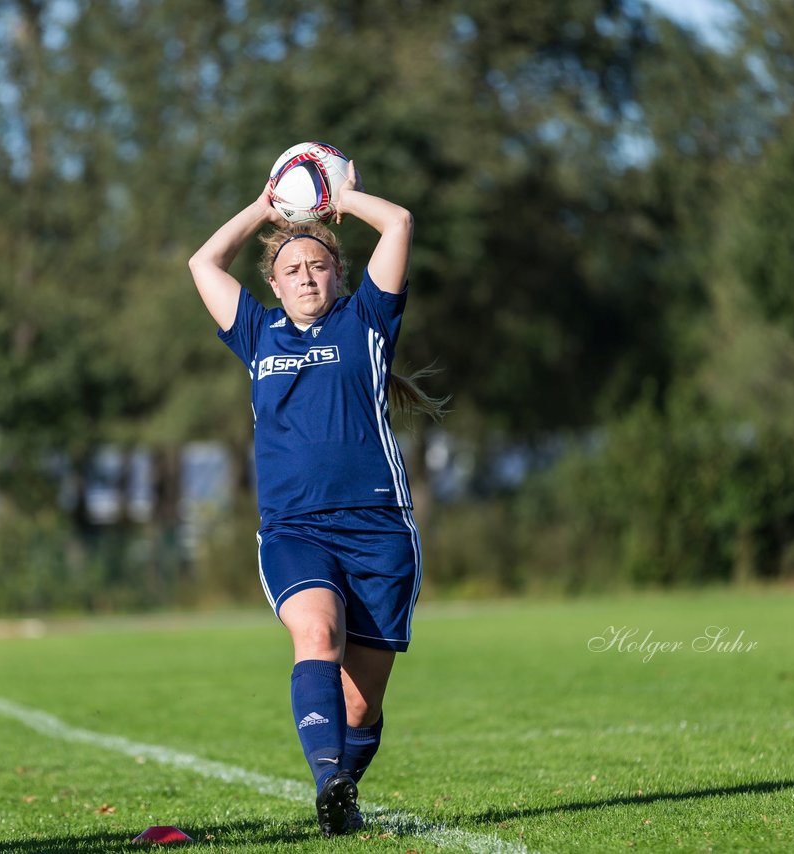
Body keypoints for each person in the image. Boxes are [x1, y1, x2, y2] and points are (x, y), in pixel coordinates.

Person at [187, 159, 444, 836]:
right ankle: (328, 778)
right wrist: (265, 208)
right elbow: (203, 262)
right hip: (294, 529)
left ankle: (342, 793)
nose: (306, 277)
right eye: (292, 269)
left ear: (339, 276)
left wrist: (345, 198)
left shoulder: (366, 323)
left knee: (361, 706)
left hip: (379, 532)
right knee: (317, 633)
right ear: (273, 283)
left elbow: (400, 222)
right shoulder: (257, 332)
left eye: (318, 266)